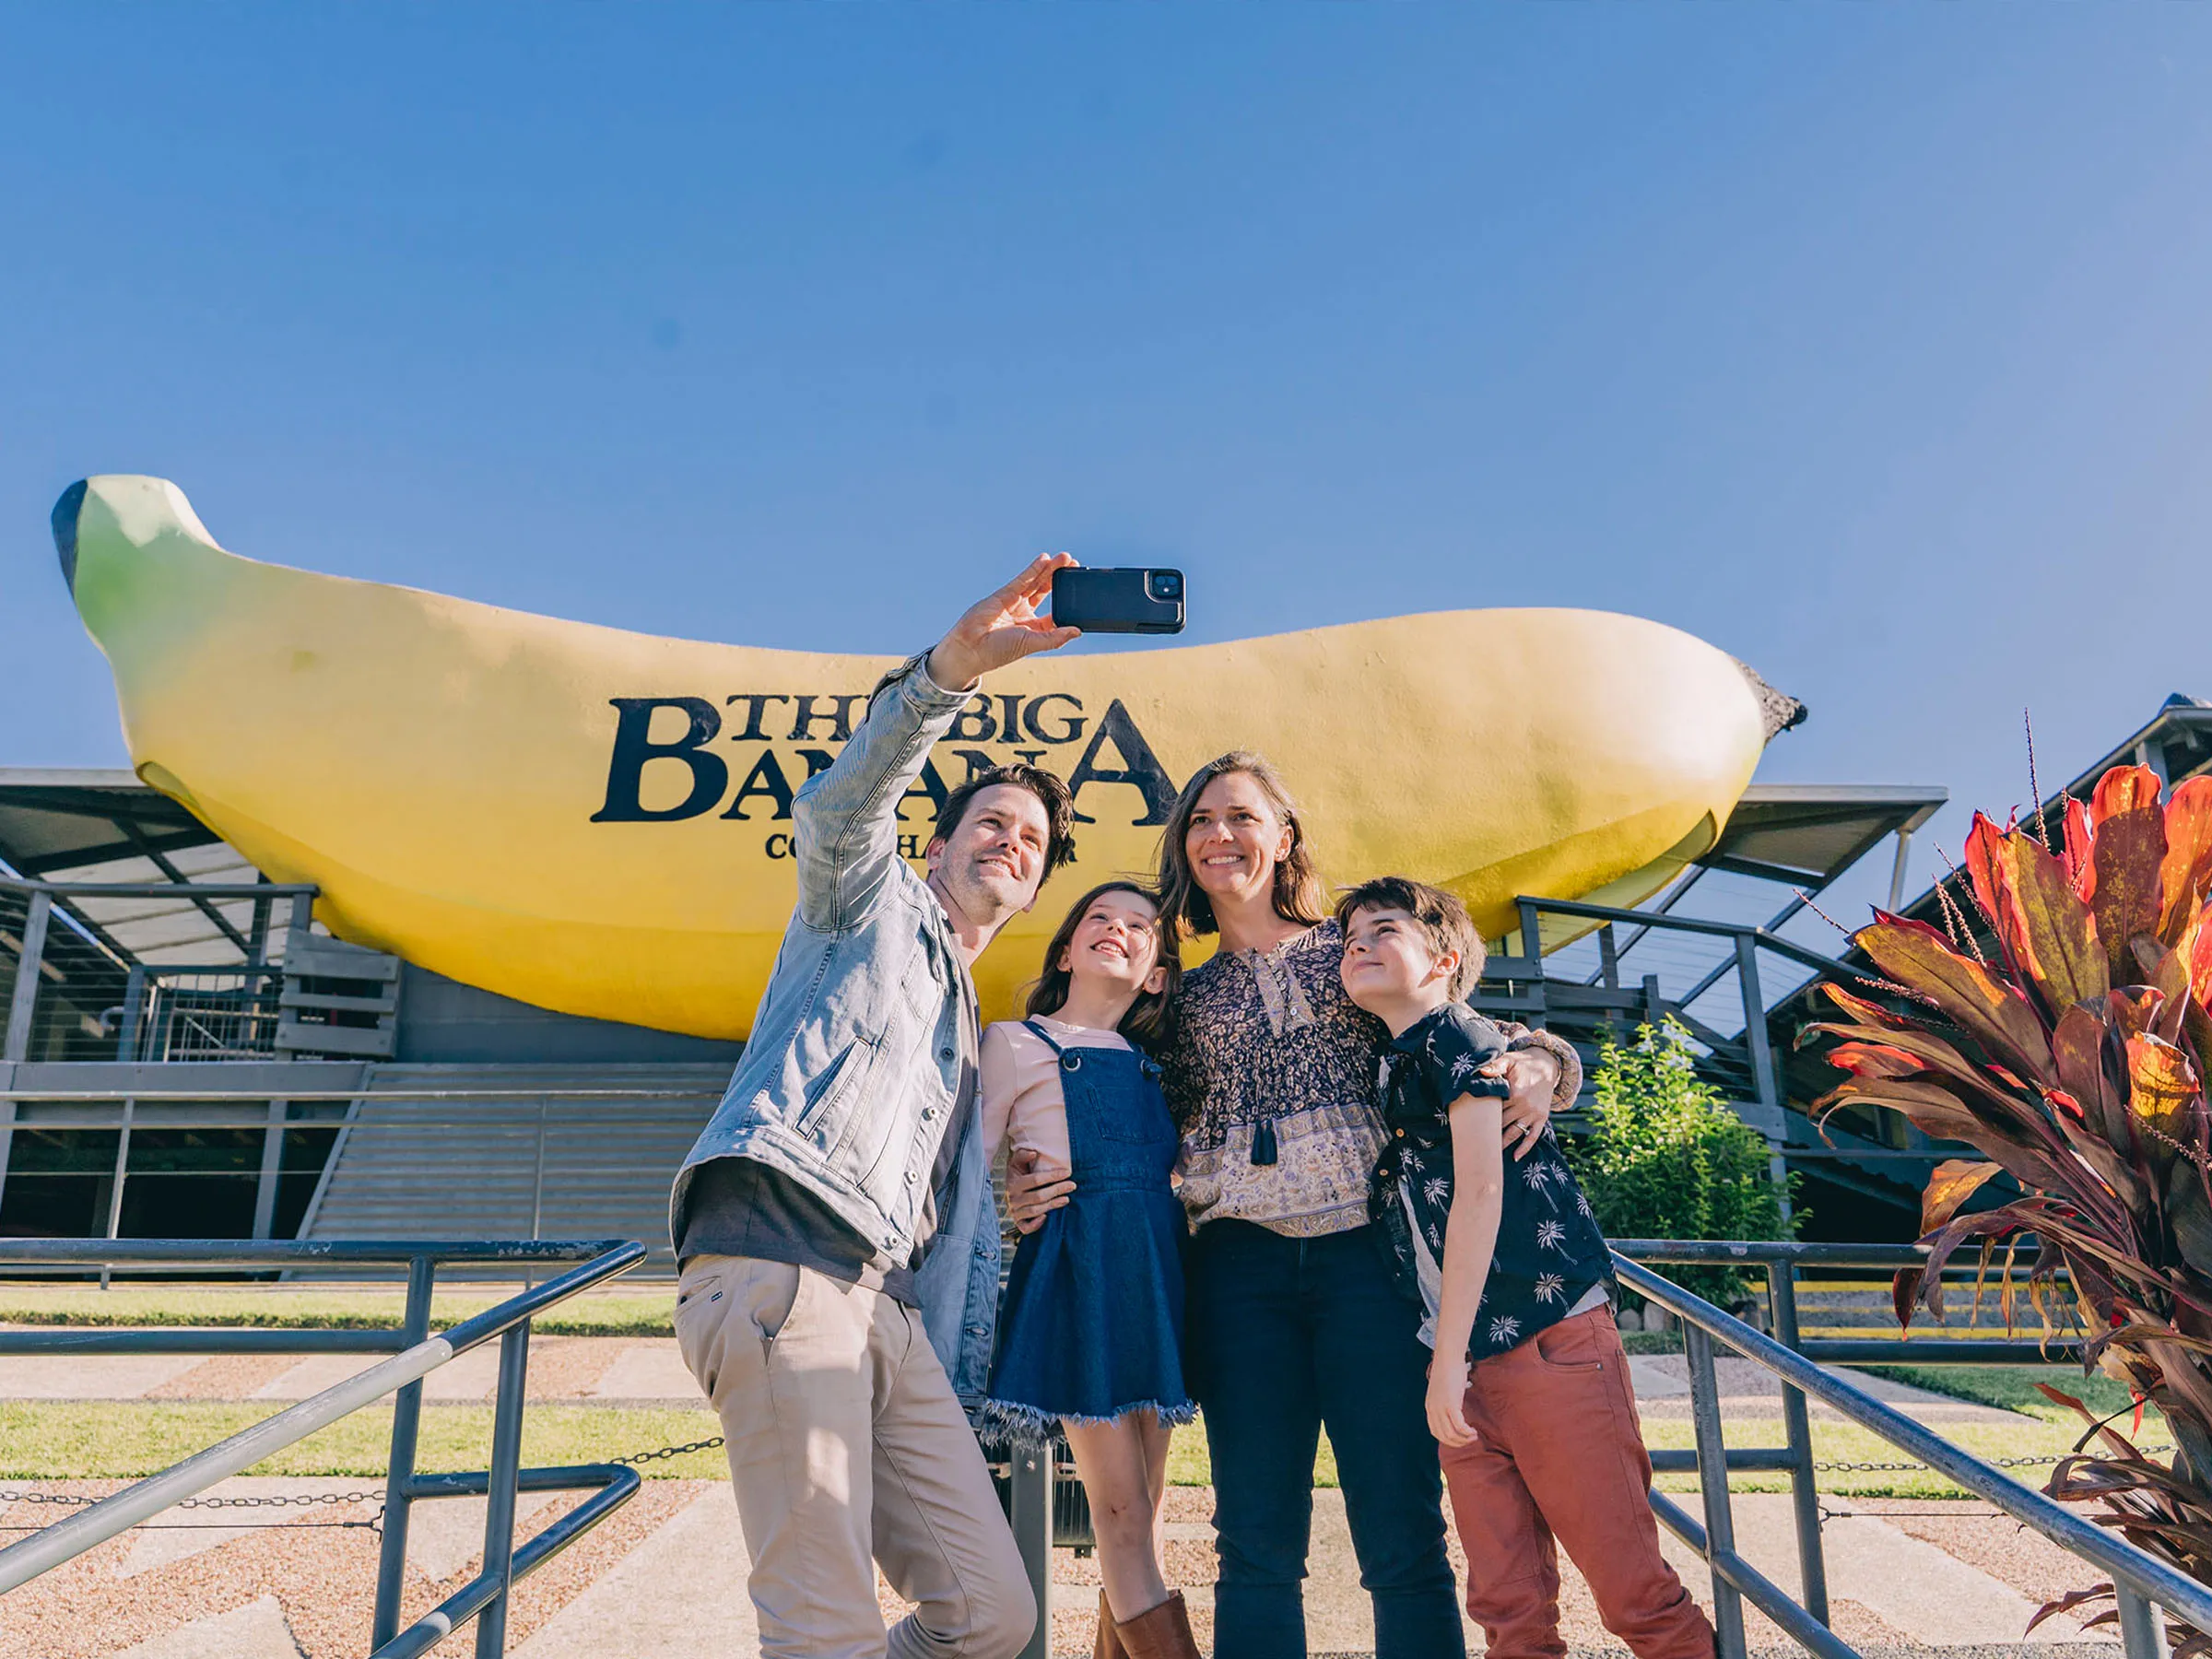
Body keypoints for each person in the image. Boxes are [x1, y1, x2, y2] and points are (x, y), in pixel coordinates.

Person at [1012, 751, 1581, 1659]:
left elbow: (1481, 1036)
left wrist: (1547, 1068)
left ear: (1284, 838)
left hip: (1370, 1264)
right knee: (1254, 1547)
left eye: (1240, 816)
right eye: (1200, 821)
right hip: (1238, 1273)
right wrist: (1022, 1171)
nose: (1219, 835)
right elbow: (1092, 1091)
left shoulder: (1352, 949)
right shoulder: (1180, 995)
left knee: (1401, 1537)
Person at [668, 554, 1081, 1659]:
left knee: (991, 1614)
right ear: (937, 846)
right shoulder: (870, 904)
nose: (1011, 842)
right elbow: (841, 807)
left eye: (1032, 842)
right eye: (991, 824)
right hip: (784, 1265)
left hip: (891, 1309)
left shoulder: (970, 1015)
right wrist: (951, 671)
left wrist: (1006, 1190)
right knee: (825, 1628)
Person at [1336, 874, 1713, 1659]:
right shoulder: (1395, 1056)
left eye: (1384, 931)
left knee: (1633, 1594)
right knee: (1508, 1607)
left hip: (1543, 1343)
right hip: (1469, 1361)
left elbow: (1480, 1194)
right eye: (1350, 939)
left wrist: (1443, 1363)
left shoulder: (1463, 1042)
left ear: (1443, 962)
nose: (1360, 946)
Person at [979, 879, 1198, 1659]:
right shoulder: (1016, 1043)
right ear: (1067, 947)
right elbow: (967, 1171)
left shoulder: (1157, 1066)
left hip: (1156, 1280)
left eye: (1140, 926)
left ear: (1157, 973)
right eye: (1097, 919)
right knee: (1119, 1512)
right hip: (1082, 1280)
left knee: (1153, 1504)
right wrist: (1014, 1195)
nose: (1117, 930)